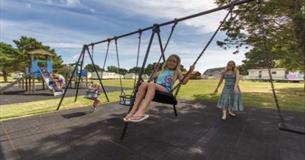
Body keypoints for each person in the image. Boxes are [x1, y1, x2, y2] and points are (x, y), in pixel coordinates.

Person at [124, 54, 195, 122]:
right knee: (144, 84)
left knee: (152, 85)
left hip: (166, 90)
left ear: (177, 64)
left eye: (174, 61)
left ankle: (141, 112)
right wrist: (155, 69)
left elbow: (183, 82)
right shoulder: (161, 71)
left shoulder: (177, 71)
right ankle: (133, 110)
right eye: (169, 60)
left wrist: (190, 71)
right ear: (166, 62)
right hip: (155, 88)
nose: (171, 62)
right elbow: (151, 78)